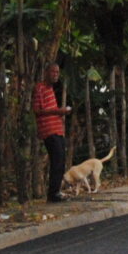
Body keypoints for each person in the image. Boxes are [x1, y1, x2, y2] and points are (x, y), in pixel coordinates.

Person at [33, 60, 71, 203]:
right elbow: (37, 110)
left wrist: (60, 114)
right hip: (48, 130)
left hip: (57, 129)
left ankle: (56, 192)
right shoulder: (40, 88)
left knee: (61, 161)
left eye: (57, 72)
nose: (55, 75)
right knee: (56, 160)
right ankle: (53, 194)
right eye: (53, 72)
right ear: (46, 73)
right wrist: (57, 111)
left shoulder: (50, 90)